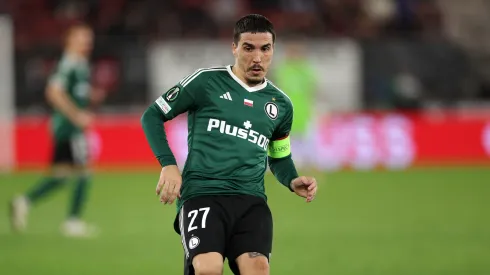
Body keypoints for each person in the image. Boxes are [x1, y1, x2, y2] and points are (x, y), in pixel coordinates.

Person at [141, 14, 318, 275]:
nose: (257, 57)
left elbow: (279, 157)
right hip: (202, 193)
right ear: (234, 48)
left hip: (250, 200)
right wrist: (168, 165)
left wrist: (292, 180)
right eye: (249, 48)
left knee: (258, 269)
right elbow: (152, 115)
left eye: (265, 49)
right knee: (208, 269)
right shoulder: (206, 82)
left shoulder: (280, 105)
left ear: (273, 51)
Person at [10, 23, 105, 238]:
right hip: (70, 128)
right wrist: (77, 115)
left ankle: (23, 201)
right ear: (69, 40)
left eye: (89, 38)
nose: (87, 43)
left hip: (66, 127)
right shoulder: (69, 64)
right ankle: (73, 222)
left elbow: (72, 91)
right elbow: (53, 92)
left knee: (62, 175)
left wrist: (90, 95)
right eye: (82, 38)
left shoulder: (80, 65)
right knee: (84, 172)